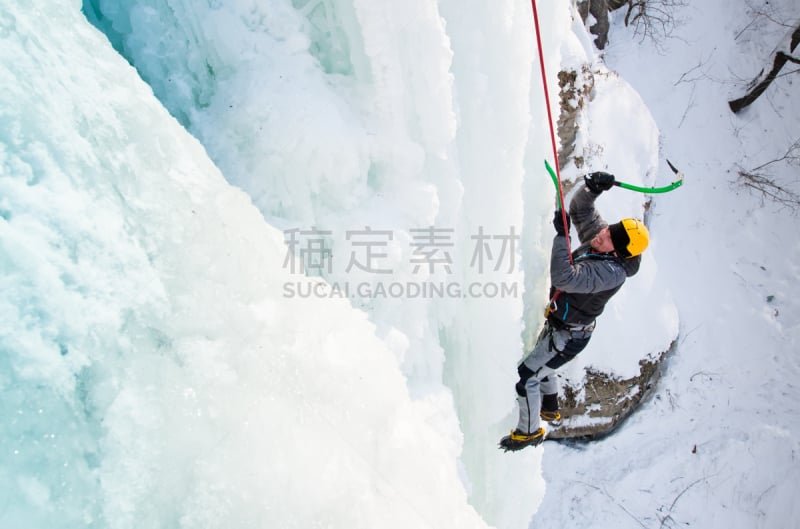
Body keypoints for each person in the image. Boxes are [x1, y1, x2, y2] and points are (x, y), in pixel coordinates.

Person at [500, 171, 650, 451]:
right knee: (544, 361)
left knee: (526, 377)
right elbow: (581, 210)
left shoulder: (610, 272)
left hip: (570, 336)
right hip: (562, 324)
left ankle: (529, 431)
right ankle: (549, 407)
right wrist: (592, 189)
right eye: (607, 230)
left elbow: (564, 278)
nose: (601, 235)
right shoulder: (604, 243)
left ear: (619, 253)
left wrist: (562, 236)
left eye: (608, 239)